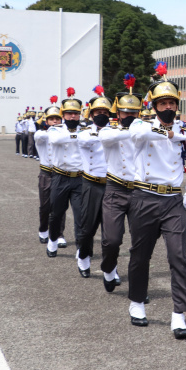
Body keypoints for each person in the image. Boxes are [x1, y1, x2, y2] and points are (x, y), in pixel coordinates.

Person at [127, 61, 186, 339]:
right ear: (154, 106)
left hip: (173, 201)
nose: (168, 108)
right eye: (162, 104)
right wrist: (171, 134)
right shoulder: (141, 124)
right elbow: (138, 133)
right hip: (144, 197)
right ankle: (137, 303)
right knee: (140, 254)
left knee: (178, 257)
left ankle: (179, 314)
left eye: (172, 103)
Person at [98, 74, 141, 292]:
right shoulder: (109, 130)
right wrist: (131, 131)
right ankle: (108, 267)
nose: (130, 116)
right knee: (112, 240)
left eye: (134, 112)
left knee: (140, 244)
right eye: (126, 112)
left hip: (139, 192)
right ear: (118, 113)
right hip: (115, 189)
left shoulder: (145, 131)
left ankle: (137, 287)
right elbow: (106, 139)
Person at [73, 86, 113, 279]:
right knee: (87, 228)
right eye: (98, 112)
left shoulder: (115, 131)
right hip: (91, 184)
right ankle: (83, 257)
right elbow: (85, 142)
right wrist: (106, 134)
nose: (102, 115)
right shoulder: (85, 133)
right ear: (91, 114)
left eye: (105, 112)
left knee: (110, 232)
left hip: (112, 185)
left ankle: (110, 269)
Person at [47, 88, 85, 257]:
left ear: (80, 115)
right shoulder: (56, 129)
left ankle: (80, 248)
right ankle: (53, 239)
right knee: (56, 213)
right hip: (60, 177)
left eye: (75, 114)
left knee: (80, 216)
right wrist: (79, 136)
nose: (72, 117)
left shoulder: (85, 130)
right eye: (69, 113)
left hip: (79, 179)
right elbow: (56, 140)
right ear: (63, 114)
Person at [34, 98, 65, 244]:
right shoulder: (41, 134)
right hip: (46, 174)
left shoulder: (63, 134)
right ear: (46, 121)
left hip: (61, 174)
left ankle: (59, 234)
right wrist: (52, 129)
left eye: (57, 119)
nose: (54, 121)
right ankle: (43, 229)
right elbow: (40, 136)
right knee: (45, 205)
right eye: (51, 119)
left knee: (60, 206)